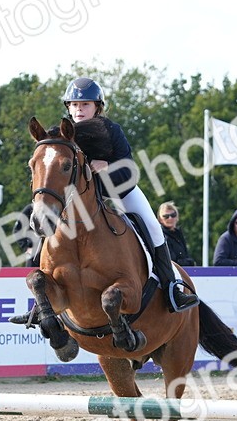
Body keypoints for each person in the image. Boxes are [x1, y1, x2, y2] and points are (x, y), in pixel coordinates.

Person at [59, 77, 197, 311]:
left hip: (118, 192)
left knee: (153, 226)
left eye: (85, 105)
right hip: (79, 200)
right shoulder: (63, 133)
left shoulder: (111, 130)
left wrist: (108, 167)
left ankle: (172, 287)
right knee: (48, 224)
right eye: (74, 104)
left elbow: (129, 170)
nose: (79, 109)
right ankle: (43, 293)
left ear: (97, 107)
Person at [157, 202, 195, 266]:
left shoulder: (179, 234)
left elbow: (186, 256)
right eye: (166, 216)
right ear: (160, 219)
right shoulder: (161, 236)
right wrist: (189, 262)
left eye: (173, 215)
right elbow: (172, 261)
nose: (170, 218)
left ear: (177, 216)